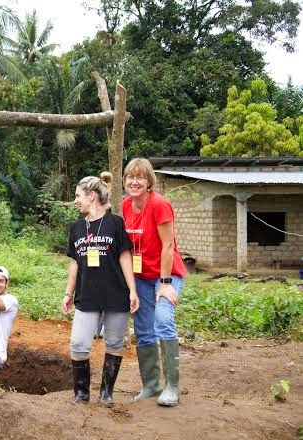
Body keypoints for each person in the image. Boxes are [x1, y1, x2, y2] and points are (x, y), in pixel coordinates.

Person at [62, 172, 139, 405]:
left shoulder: (116, 223)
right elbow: (74, 264)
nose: (75, 200)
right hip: (87, 294)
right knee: (78, 343)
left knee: (114, 343)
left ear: (92, 196)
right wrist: (68, 293)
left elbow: (125, 258)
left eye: (78, 196)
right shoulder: (76, 227)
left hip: (116, 293)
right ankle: (82, 393)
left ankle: (106, 393)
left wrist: (133, 291)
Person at [122, 158, 186, 407]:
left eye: (140, 177)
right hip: (141, 277)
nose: (134, 181)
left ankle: (172, 386)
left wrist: (165, 282)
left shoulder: (160, 204)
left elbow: (168, 245)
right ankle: (151, 385)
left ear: (149, 182)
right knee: (143, 329)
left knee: (162, 319)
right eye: (130, 177)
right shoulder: (126, 205)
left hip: (166, 275)